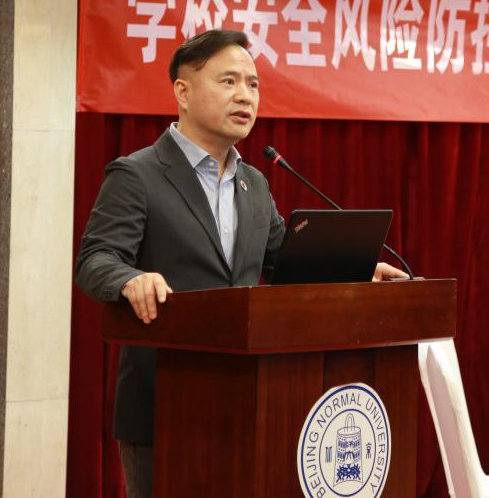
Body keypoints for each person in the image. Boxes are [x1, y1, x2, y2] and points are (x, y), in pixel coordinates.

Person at [74, 29, 407, 498]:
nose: (245, 96)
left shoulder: (254, 183)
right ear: (182, 92)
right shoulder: (138, 174)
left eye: (253, 84)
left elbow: (284, 262)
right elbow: (96, 258)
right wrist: (130, 278)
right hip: (165, 401)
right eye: (228, 81)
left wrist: (356, 269)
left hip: (251, 399)